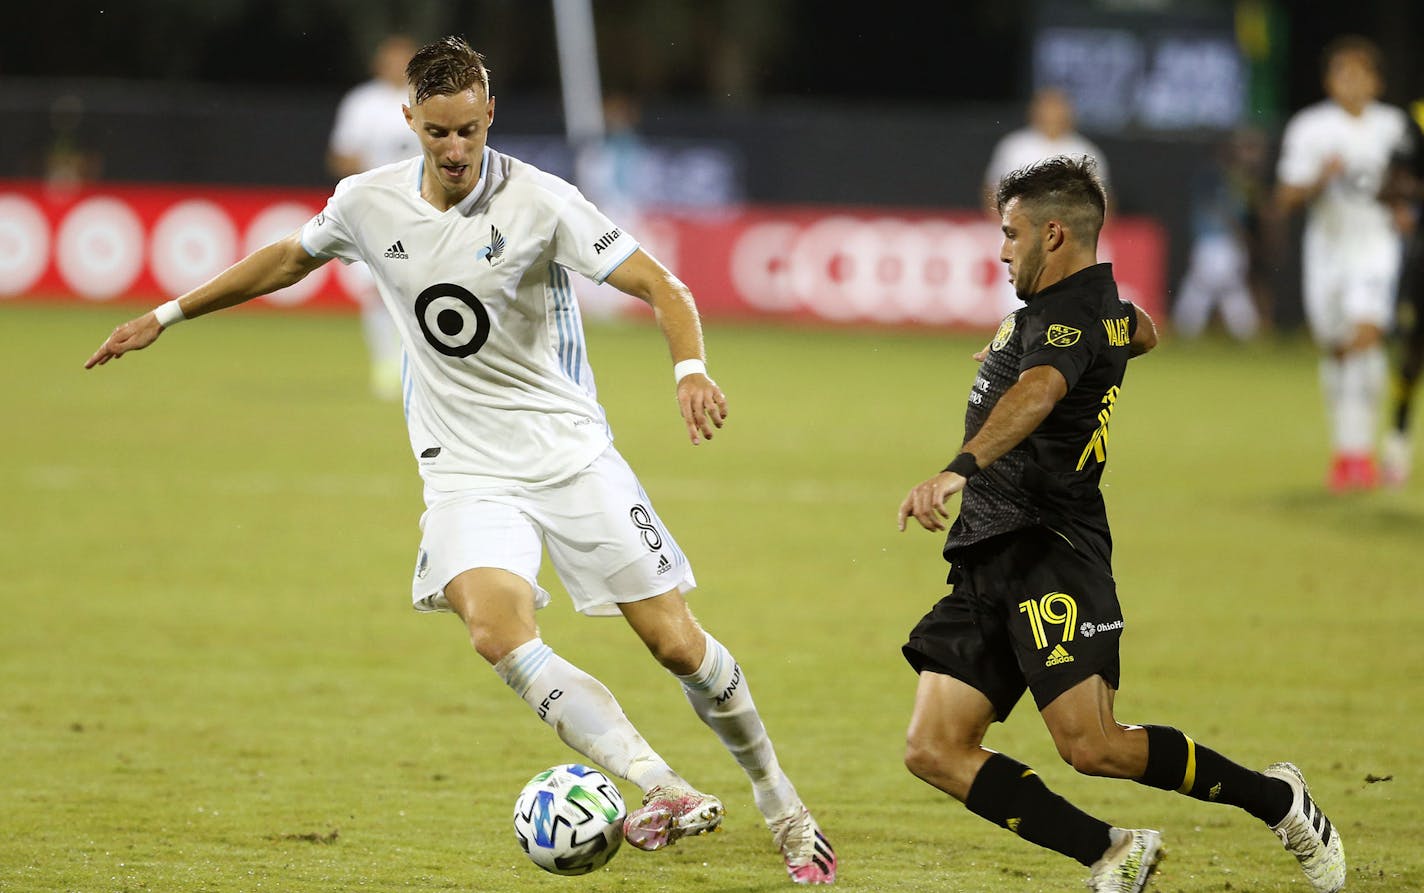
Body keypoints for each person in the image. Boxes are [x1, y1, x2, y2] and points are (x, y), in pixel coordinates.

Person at [86, 36, 835, 886]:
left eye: (468, 133)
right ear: (410, 120)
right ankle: (658, 782)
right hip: (464, 469)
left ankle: (783, 802)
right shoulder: (366, 203)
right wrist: (168, 314)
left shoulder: (543, 201)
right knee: (495, 630)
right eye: (437, 133)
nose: (453, 151)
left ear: (489, 119)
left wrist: (690, 368)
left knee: (674, 644)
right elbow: (290, 257)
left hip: (569, 456)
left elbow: (664, 286)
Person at [895, 156, 1344, 893]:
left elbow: (1041, 390)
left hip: (1049, 548)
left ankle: (1280, 799)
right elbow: (1144, 330)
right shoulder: (1092, 308)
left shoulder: (1066, 320)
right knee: (934, 746)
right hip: (988, 554)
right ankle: (1111, 850)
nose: (1001, 249)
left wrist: (958, 469)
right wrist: (1028, 347)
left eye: (1010, 234)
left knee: (1093, 745)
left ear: (1053, 233)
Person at [1275, 35, 1415, 492]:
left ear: (1376, 81)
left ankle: (1361, 458)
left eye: (1361, 74)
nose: (1352, 83)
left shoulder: (1396, 126)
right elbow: (1285, 197)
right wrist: (1320, 178)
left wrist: (1403, 206)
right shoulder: (1311, 128)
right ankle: (1345, 451)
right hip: (1328, 249)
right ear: (1329, 80)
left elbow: (1410, 185)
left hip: (1376, 246)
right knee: (1337, 347)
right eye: (1343, 73)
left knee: (1366, 335)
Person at [327, 33, 422, 401]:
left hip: (421, 208)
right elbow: (340, 155)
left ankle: (422, 364)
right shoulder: (361, 103)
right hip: (374, 209)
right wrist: (375, 173)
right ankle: (386, 365)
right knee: (377, 290)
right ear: (379, 63)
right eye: (392, 58)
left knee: (418, 286)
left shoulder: (428, 98)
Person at [1171, 128, 1272, 341]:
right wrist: (1244, 236)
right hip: (1215, 241)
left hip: (1222, 243)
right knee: (1215, 288)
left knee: (1214, 288)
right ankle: (1245, 332)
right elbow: (1225, 213)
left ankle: (1189, 330)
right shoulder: (1214, 177)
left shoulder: (1234, 179)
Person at [1379, 107, 1424, 485]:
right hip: (1422, 257)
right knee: (1413, 350)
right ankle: (1398, 437)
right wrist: (1401, 207)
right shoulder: (1418, 119)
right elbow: (1392, 182)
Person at [984, 87, 1111, 213]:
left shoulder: (1085, 151)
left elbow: (1103, 201)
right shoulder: (1014, 146)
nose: (1051, 115)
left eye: (1057, 108)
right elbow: (992, 192)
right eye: (1046, 108)